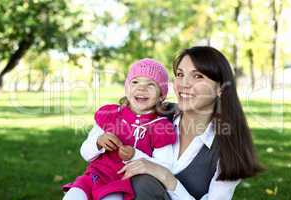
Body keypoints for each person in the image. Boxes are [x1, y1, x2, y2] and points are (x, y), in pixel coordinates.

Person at [118, 46, 264, 200]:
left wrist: (166, 177)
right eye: (180, 74)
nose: (184, 84)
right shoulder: (155, 113)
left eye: (198, 76)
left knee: (144, 182)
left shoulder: (231, 148)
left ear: (220, 88)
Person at [61, 58, 177, 200]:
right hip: (94, 177)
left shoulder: (160, 126)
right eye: (135, 82)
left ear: (161, 95)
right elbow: (85, 153)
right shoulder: (110, 115)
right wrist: (98, 142)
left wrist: (135, 155)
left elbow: (166, 166)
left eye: (151, 84)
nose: (141, 88)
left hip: (120, 184)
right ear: (127, 88)